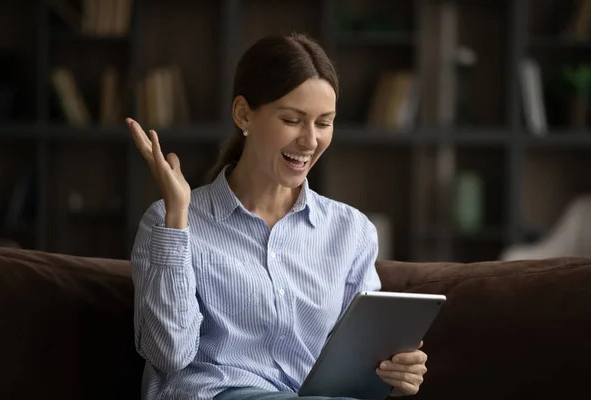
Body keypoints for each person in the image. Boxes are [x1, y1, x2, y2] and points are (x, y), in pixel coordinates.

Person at [127, 33, 428, 400]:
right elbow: (169, 355)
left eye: (324, 123)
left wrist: (392, 378)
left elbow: (354, 374)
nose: (310, 140)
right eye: (293, 119)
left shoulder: (351, 232)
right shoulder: (168, 221)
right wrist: (177, 216)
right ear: (243, 114)